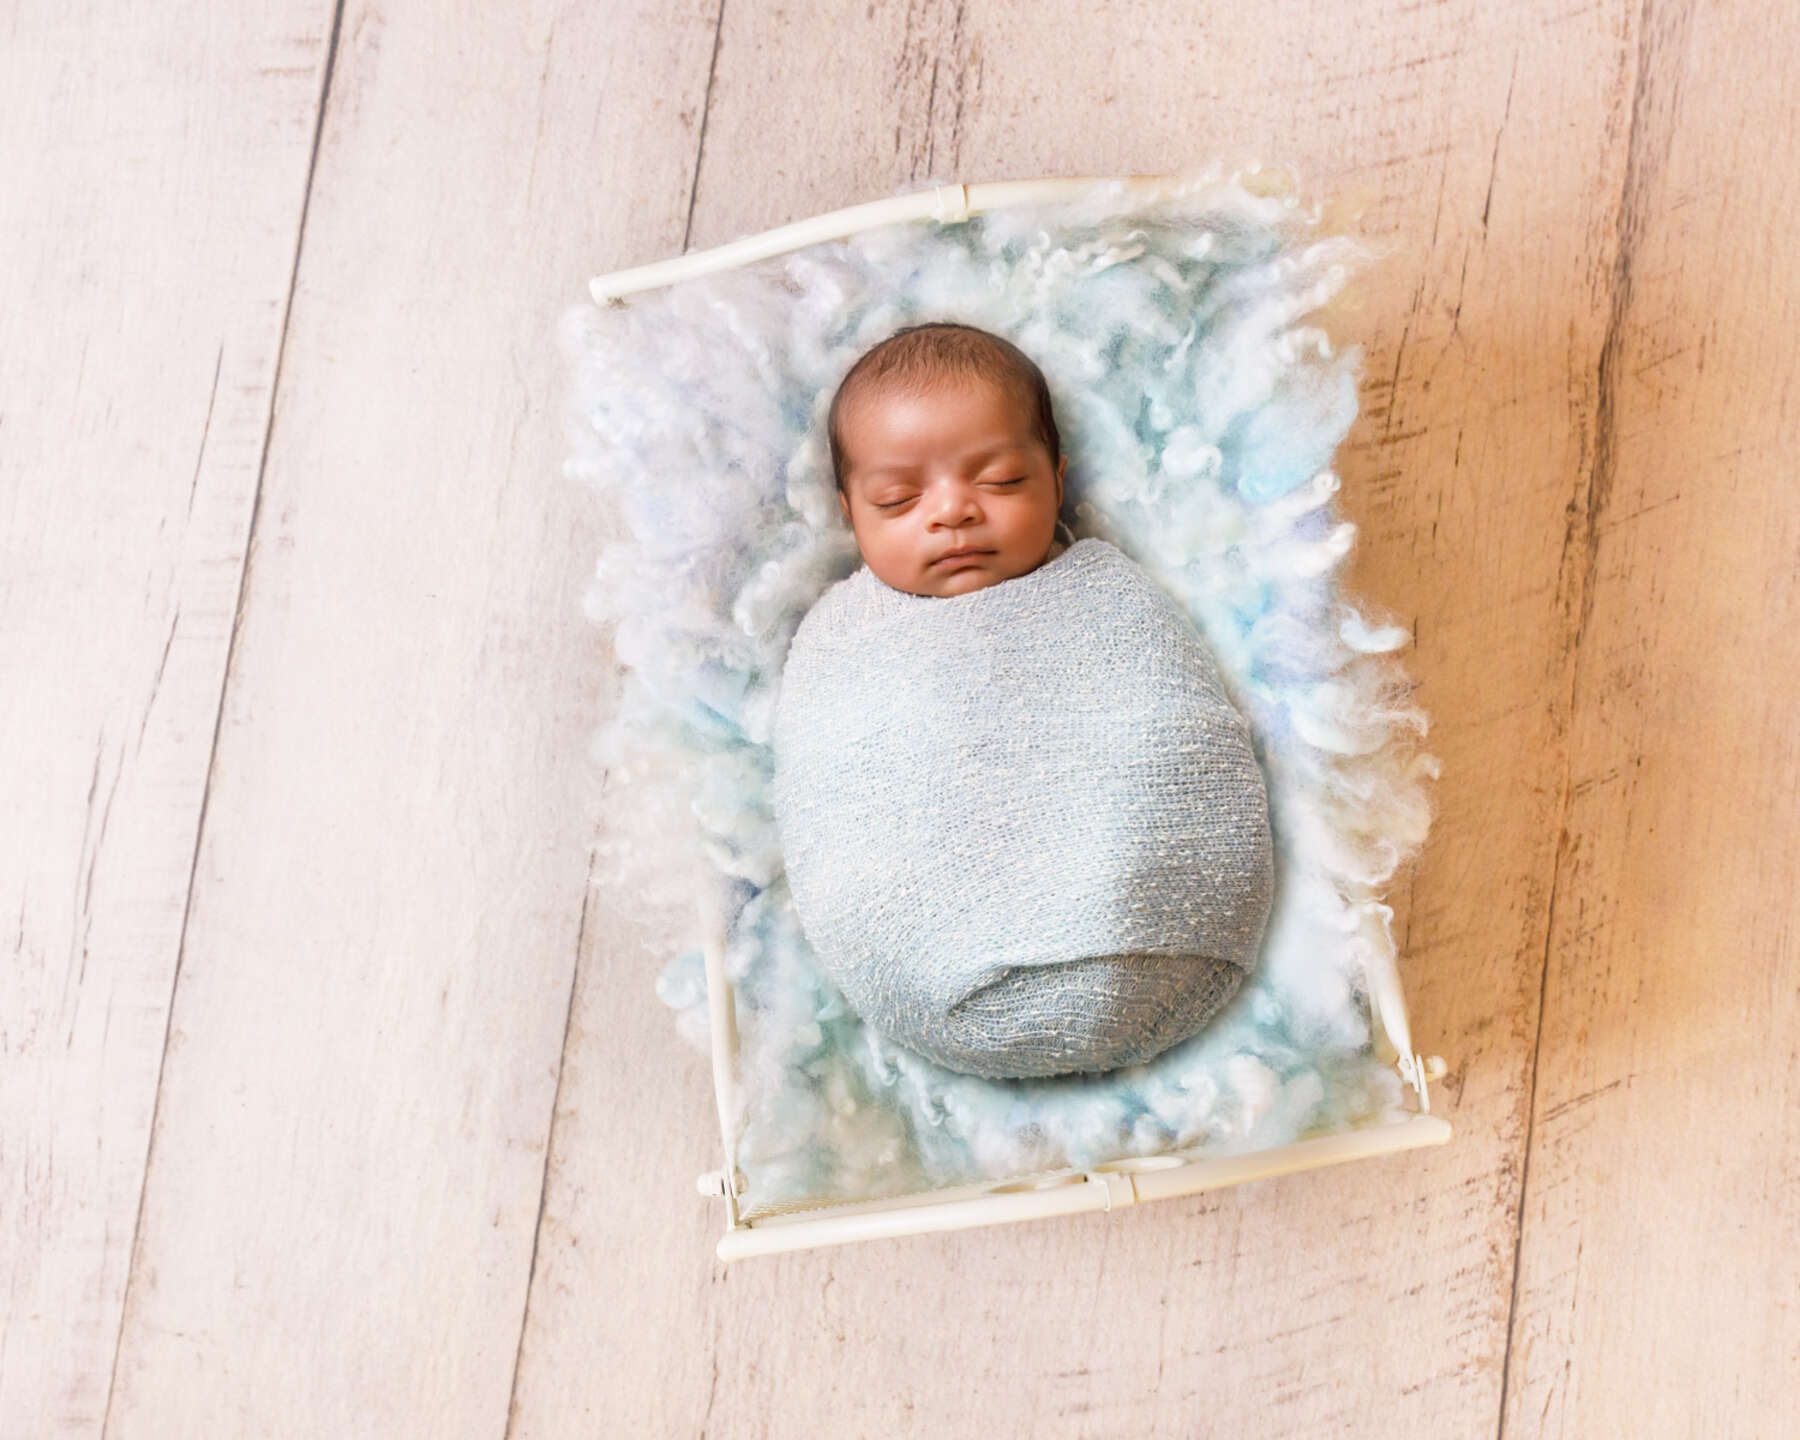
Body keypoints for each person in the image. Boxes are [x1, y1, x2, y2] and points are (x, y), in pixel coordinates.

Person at [827, 321, 1070, 598]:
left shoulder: (1107, 594)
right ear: (851, 516)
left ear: (1057, 484)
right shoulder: (841, 632)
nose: (952, 512)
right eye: (897, 498)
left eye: (1001, 479)